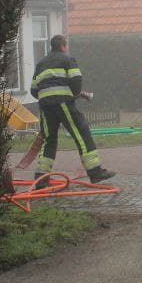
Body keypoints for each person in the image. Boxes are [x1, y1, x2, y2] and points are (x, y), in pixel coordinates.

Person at [31, 35, 115, 183]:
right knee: (81, 133)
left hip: (45, 106)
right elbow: (76, 81)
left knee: (49, 140)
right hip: (63, 103)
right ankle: (95, 172)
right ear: (63, 46)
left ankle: (41, 179)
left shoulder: (40, 64)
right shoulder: (68, 60)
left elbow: (33, 90)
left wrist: (47, 97)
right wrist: (73, 94)